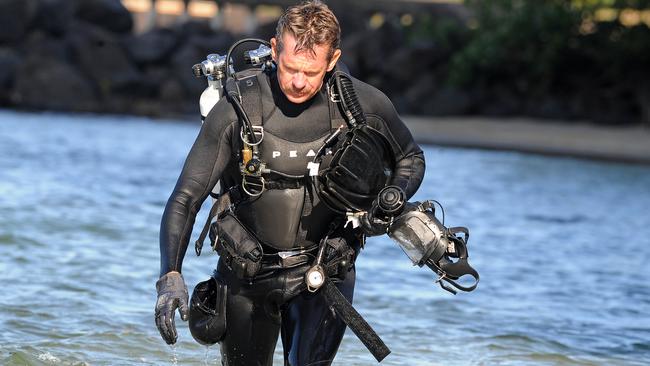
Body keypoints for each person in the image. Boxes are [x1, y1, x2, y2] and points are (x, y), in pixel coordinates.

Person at [155, 1, 425, 365]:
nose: (299, 81)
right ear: (275, 48)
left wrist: (395, 194)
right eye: (290, 68)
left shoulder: (362, 104)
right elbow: (186, 197)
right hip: (246, 275)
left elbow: (410, 158)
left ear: (332, 61)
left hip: (324, 272)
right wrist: (170, 277)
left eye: (311, 72)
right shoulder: (237, 108)